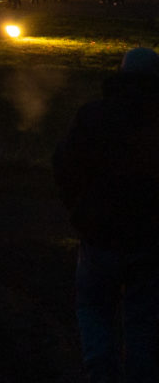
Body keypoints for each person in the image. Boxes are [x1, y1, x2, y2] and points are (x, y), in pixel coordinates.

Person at [53, 47, 159, 383]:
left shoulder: (92, 116)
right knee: (143, 317)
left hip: (100, 233)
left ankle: (101, 370)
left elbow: (64, 164)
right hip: (150, 237)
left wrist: (79, 210)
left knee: (93, 308)